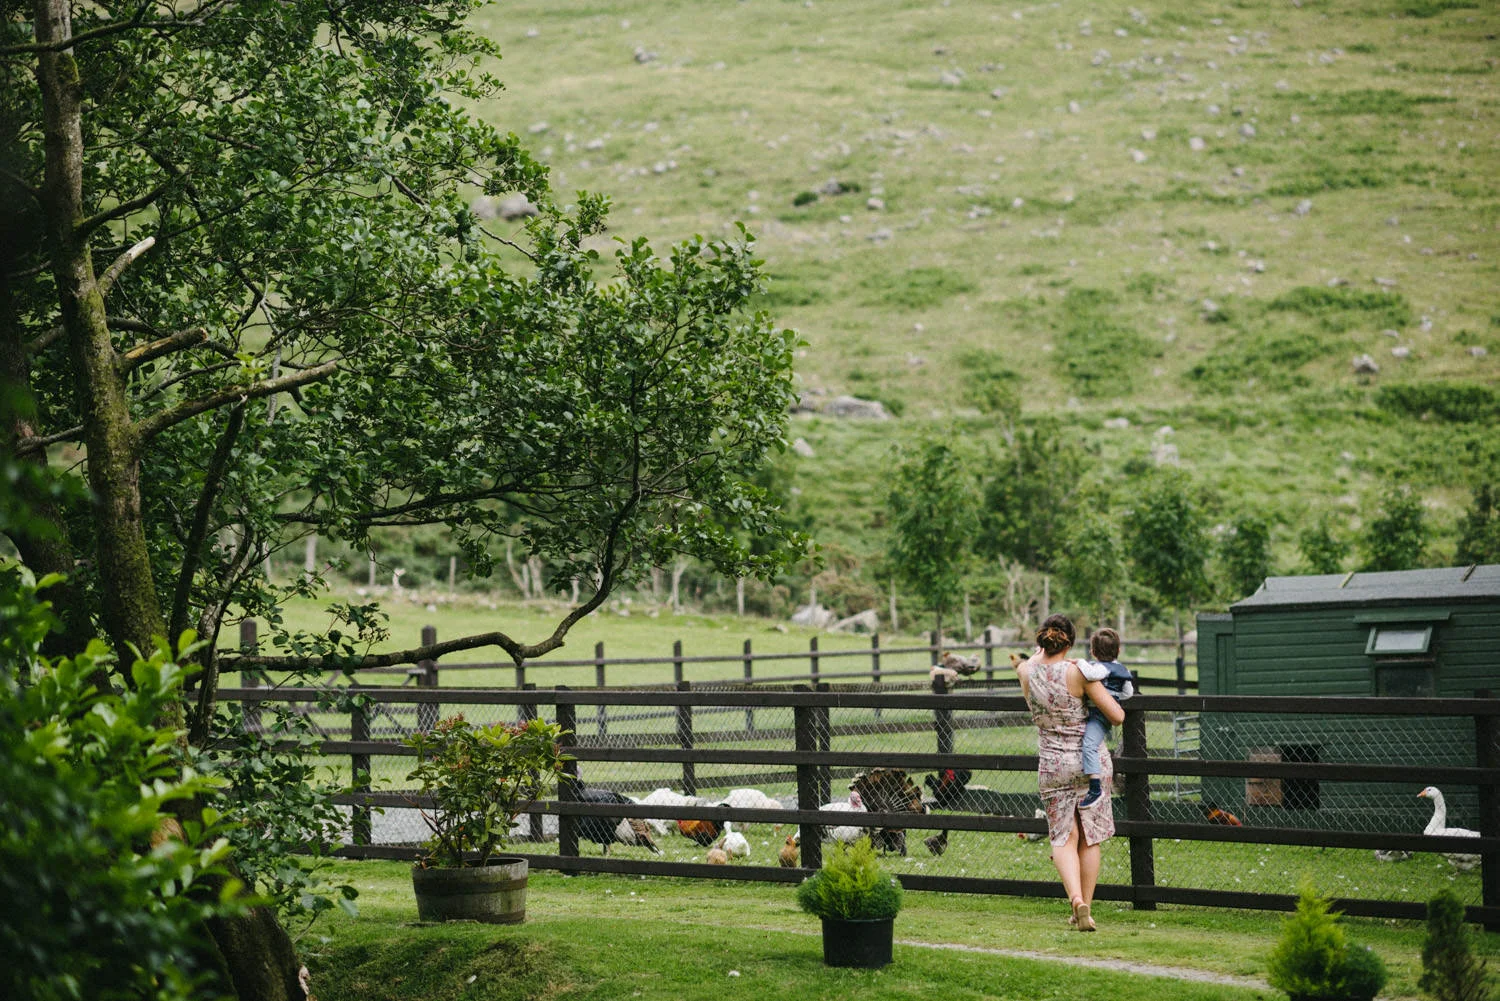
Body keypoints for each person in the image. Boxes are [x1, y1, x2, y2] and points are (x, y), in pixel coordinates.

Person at [1014, 613, 1125, 932]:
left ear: (1041, 641)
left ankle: (1076, 900)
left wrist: (1037, 652)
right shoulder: (1079, 673)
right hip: (1089, 765)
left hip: (1052, 765)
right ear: (1070, 642)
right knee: (1090, 838)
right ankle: (1085, 911)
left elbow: (1032, 663)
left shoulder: (1026, 672)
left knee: (1063, 837)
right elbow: (1117, 716)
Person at [1078, 628, 1135, 809]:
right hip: (1104, 715)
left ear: (1093, 652)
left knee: (1089, 745)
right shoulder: (1122, 669)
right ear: (1118, 650)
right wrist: (1114, 697)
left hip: (1098, 715)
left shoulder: (1100, 668)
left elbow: (1090, 675)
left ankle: (1095, 788)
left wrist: (1079, 662)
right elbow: (1128, 693)